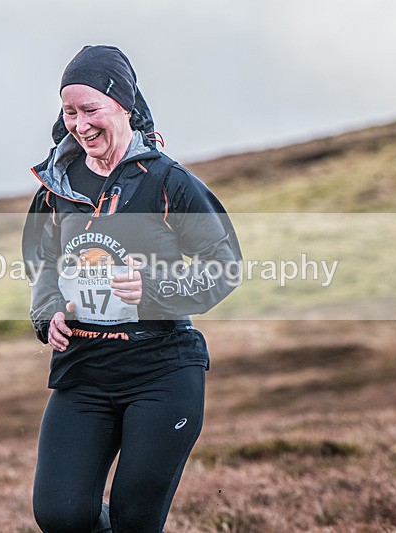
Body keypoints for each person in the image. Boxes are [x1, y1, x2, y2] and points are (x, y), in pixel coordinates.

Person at [22, 45, 242, 532]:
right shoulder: (55, 185)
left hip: (161, 371)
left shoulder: (169, 182)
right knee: (61, 514)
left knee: (135, 522)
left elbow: (223, 264)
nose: (80, 124)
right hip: (83, 371)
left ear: (122, 103)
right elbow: (42, 261)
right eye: (69, 112)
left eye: (91, 109)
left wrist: (154, 288)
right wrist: (49, 314)